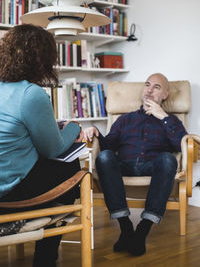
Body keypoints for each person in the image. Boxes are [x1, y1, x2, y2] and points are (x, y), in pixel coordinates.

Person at [0, 24, 84, 267]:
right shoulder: (31, 94)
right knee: (72, 168)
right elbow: (52, 149)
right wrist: (73, 128)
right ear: (42, 59)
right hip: (10, 190)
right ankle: (45, 258)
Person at [84, 73, 187, 256]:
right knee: (105, 157)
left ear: (165, 95)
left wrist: (162, 116)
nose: (149, 90)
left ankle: (142, 230)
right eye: (147, 85)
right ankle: (125, 227)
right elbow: (108, 146)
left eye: (156, 87)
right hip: (125, 165)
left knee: (168, 159)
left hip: (153, 166)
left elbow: (182, 144)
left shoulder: (171, 121)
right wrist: (96, 132)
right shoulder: (125, 119)